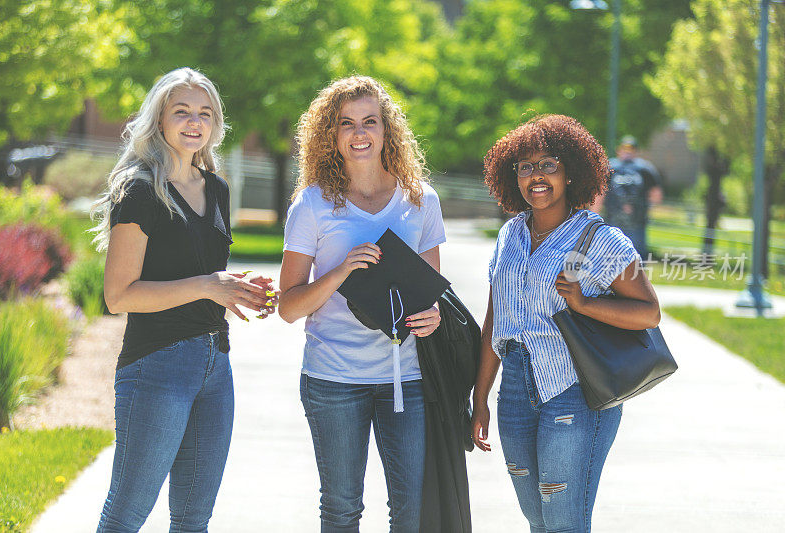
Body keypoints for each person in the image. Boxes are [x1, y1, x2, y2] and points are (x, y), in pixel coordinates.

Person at [90, 67, 277, 532]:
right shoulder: (139, 190)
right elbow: (118, 295)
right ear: (159, 120)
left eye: (205, 113)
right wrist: (208, 285)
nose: (195, 122)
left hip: (216, 366)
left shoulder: (216, 188)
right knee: (126, 514)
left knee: (194, 519)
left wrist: (238, 289)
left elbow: (203, 269)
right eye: (182, 112)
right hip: (157, 367)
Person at [471, 115, 661, 533]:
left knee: (563, 522)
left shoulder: (602, 240)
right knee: (537, 519)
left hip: (575, 392)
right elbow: (493, 324)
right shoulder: (509, 236)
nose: (536, 176)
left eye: (548, 164)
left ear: (571, 173)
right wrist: (479, 395)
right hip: (516, 393)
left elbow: (648, 312)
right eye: (525, 166)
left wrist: (583, 303)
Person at [278, 75, 445, 533]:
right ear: (330, 135)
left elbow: (433, 295)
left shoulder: (420, 200)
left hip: (405, 380)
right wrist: (341, 271)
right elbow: (289, 307)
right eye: (346, 123)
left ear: (387, 129)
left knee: (410, 514)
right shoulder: (312, 205)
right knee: (341, 511)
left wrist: (432, 317)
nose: (359, 133)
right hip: (333, 379)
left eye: (370, 121)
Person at [603, 135, 663, 258]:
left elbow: (656, 195)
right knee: (617, 261)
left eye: (630, 150)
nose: (627, 153)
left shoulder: (645, 169)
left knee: (630, 262)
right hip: (613, 223)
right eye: (625, 149)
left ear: (636, 151)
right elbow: (599, 194)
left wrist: (645, 209)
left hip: (636, 224)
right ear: (618, 150)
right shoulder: (610, 167)